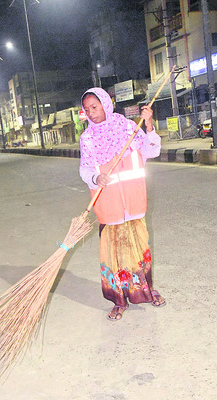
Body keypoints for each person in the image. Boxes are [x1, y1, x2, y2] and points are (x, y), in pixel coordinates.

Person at [79, 87, 165, 321]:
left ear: (106, 104)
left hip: (134, 201)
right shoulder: (87, 138)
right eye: (87, 109)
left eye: (94, 107)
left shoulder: (128, 127)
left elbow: (150, 151)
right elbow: (85, 170)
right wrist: (97, 178)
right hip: (109, 207)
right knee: (113, 256)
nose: (91, 113)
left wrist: (149, 126)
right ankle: (119, 301)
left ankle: (145, 292)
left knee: (139, 250)